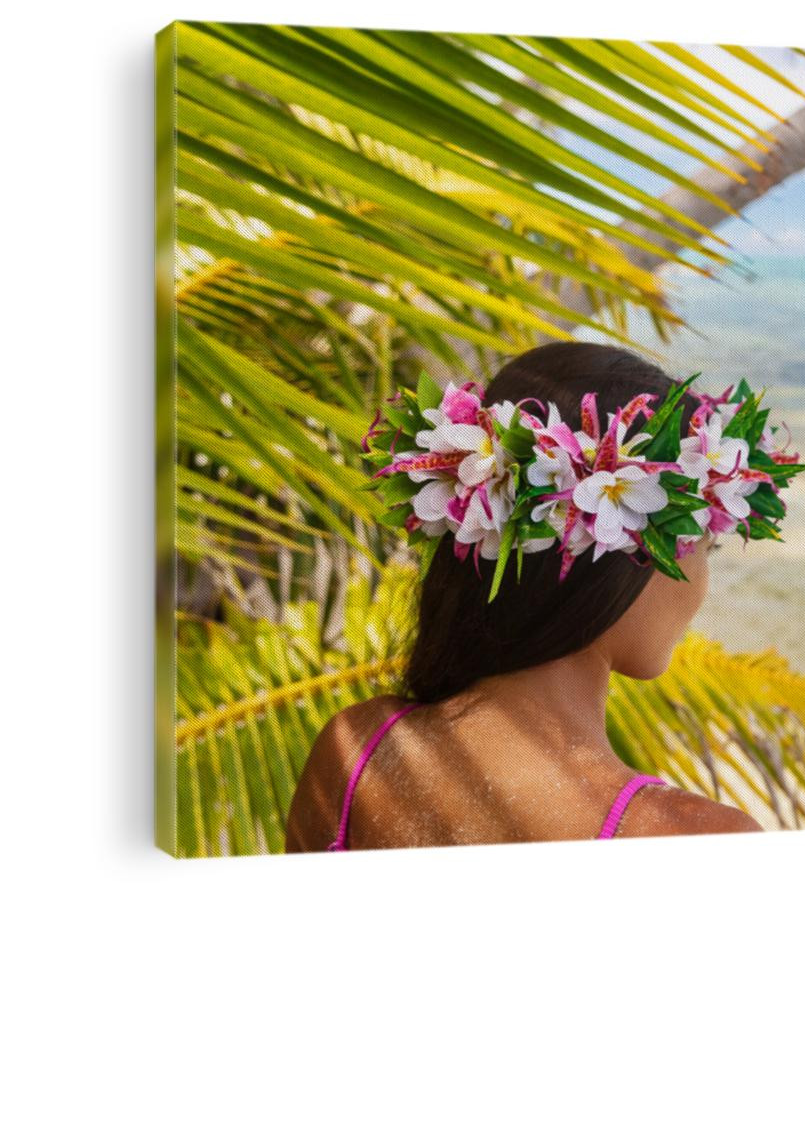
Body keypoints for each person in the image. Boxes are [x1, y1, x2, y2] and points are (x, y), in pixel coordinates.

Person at [285, 341, 776, 850]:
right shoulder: (692, 839)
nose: (701, 587)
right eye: (706, 547)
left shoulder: (354, 753)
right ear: (624, 551)